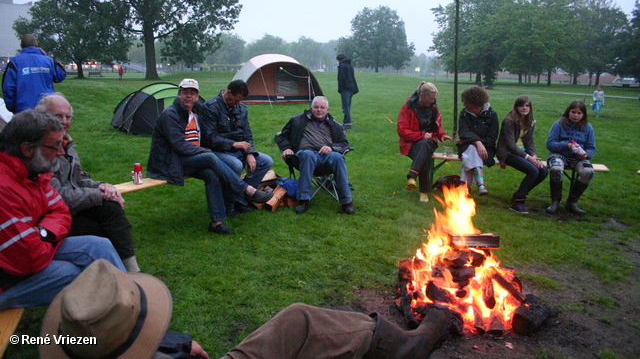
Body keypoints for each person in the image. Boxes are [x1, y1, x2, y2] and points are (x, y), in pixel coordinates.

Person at [41, 259, 459, 359]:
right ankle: (407, 346)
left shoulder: (78, 336)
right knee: (300, 319)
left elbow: (51, 336)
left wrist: (177, 342)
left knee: (299, 319)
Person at [0, 110, 124, 310]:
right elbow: (28, 260)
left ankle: (129, 305)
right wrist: (46, 233)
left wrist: (42, 232)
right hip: (6, 278)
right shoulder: (4, 187)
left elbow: (60, 211)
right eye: (56, 145)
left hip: (31, 251)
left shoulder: (33, 173)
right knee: (74, 273)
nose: (60, 152)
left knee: (97, 245)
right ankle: (123, 319)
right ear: (27, 149)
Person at [147, 79, 273, 235]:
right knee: (211, 158)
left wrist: (249, 152)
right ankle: (247, 191)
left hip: (189, 158)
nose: (188, 96)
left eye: (192, 93)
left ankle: (217, 222)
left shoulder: (196, 111)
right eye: (185, 92)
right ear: (179, 93)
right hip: (171, 162)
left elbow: (245, 133)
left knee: (211, 174)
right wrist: (205, 151)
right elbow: (179, 145)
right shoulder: (171, 114)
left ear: (197, 96)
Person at [36, 94, 141, 272]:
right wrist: (98, 195)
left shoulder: (65, 143)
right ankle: (119, 273)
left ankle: (130, 270)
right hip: (48, 217)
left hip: (68, 210)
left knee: (110, 207)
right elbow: (57, 195)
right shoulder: (40, 150)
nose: (64, 121)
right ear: (41, 118)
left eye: (68, 117)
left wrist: (103, 186)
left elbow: (80, 178)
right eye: (57, 116)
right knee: (96, 224)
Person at [202, 79, 274, 217]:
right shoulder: (210, 107)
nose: (237, 104)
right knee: (235, 165)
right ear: (228, 92)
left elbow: (247, 134)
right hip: (217, 151)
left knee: (266, 161)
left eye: (239, 101)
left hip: (238, 150)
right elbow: (209, 137)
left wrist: (250, 153)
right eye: (235, 100)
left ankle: (240, 200)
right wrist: (233, 144)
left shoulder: (241, 109)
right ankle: (229, 207)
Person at [275, 96, 355, 215]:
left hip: (326, 158)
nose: (319, 110)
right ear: (311, 108)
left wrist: (331, 147)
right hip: (303, 157)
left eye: (322, 107)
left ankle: (346, 202)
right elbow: (281, 136)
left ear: (327, 110)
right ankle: (303, 200)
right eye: (316, 107)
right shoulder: (297, 120)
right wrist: (286, 148)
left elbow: (345, 144)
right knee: (308, 154)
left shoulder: (336, 126)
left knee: (338, 157)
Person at [397, 81, 452, 203]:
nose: (433, 101)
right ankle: (423, 192)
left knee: (425, 144)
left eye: (434, 98)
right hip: (410, 143)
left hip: (428, 141)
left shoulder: (433, 107)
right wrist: (421, 135)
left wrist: (441, 135)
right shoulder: (407, 108)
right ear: (422, 95)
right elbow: (402, 131)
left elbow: (437, 125)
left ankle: (412, 176)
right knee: (424, 153)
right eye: (431, 98)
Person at [497, 96, 548, 214]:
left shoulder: (530, 121)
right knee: (533, 171)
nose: (524, 108)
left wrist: (533, 155)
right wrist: (528, 157)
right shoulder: (509, 121)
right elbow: (510, 145)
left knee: (543, 171)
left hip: (523, 152)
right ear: (516, 107)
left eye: (527, 105)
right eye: (521, 105)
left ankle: (519, 194)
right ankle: (518, 201)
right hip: (507, 152)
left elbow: (530, 141)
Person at [545, 100, 596, 215]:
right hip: (558, 155)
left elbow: (591, 148)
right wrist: (566, 145)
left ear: (583, 115)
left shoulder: (588, 128)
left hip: (578, 158)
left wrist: (586, 154)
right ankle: (555, 201)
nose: (576, 115)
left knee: (588, 171)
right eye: (573, 112)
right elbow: (550, 144)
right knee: (556, 169)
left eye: (579, 113)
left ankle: (572, 201)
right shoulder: (559, 124)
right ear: (568, 112)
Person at [1, 34, 66, 113]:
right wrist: (46, 57)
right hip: (46, 107)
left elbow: (8, 88)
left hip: (23, 109)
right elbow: (61, 75)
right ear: (36, 45)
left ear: (22, 46)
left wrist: (12, 107)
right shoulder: (48, 60)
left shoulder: (15, 62)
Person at [457, 86, 498, 196]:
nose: (464, 105)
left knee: (470, 153)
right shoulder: (464, 113)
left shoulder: (492, 115)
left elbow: (491, 139)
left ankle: (465, 188)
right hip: (467, 148)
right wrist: (477, 142)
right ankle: (480, 183)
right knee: (471, 150)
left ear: (475, 103)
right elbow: (463, 132)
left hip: (486, 150)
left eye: (466, 102)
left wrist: (471, 141)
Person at [336, 54, 358, 129]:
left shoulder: (342, 66)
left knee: (345, 107)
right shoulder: (350, 66)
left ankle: (347, 123)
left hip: (345, 89)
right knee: (348, 106)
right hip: (352, 88)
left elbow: (341, 78)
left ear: (339, 60)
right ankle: (347, 122)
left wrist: (340, 89)